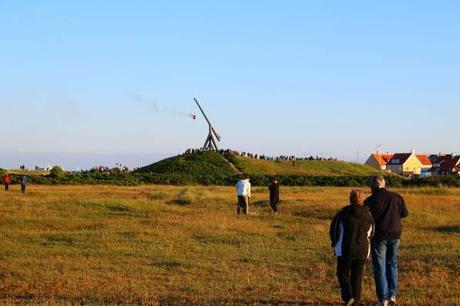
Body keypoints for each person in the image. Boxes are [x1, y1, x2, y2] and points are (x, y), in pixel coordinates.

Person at [365, 176, 409, 306]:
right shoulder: (397, 197)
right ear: (384, 185)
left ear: (372, 187)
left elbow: (366, 219)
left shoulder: (370, 201)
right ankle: (392, 295)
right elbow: (404, 213)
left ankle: (383, 298)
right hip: (395, 235)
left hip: (379, 237)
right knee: (392, 263)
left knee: (380, 266)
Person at [330, 189, 375, 306]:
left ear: (350, 199)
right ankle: (356, 300)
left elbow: (334, 230)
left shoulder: (342, 214)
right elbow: (372, 232)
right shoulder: (368, 215)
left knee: (342, 273)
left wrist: (334, 243)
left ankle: (349, 296)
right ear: (363, 200)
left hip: (346, 248)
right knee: (357, 275)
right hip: (363, 248)